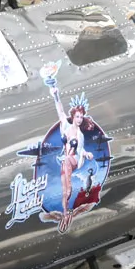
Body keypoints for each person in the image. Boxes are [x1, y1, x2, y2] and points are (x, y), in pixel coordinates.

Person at [42, 62, 93, 232]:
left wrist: (86, 154)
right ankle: (65, 212)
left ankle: (66, 211)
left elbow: (81, 149)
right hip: (67, 160)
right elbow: (59, 107)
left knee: (68, 162)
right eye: (77, 116)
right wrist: (54, 90)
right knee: (67, 190)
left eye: (81, 117)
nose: (79, 119)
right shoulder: (65, 125)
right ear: (73, 116)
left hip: (74, 160)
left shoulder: (80, 135)